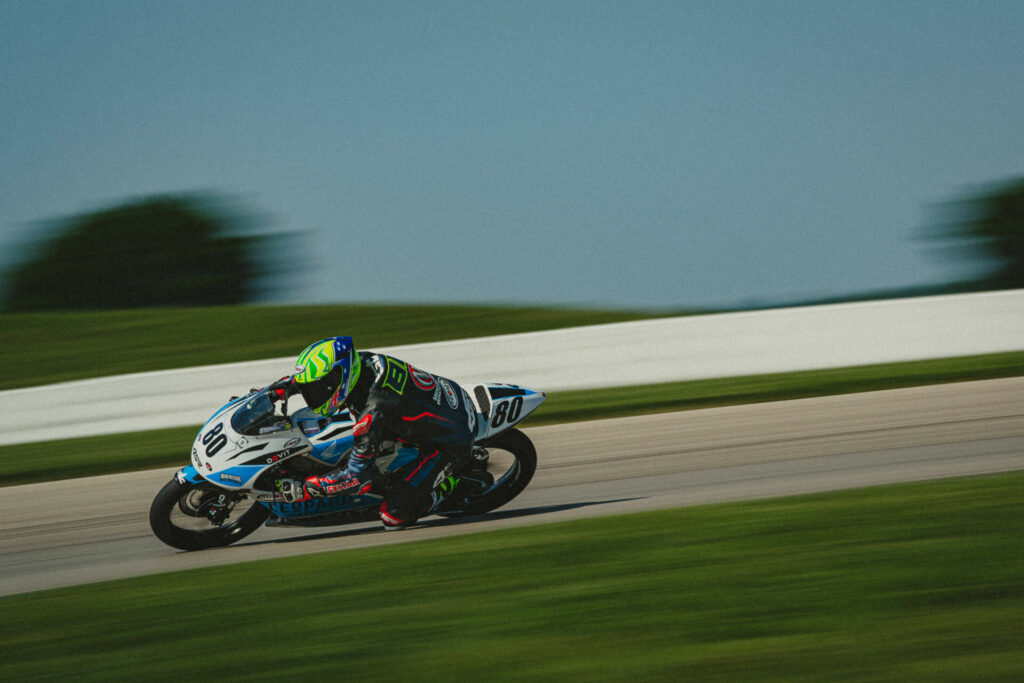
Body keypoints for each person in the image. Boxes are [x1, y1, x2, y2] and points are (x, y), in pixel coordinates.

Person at [270, 336, 487, 530]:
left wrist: (306, 489)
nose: (313, 395)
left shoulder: (373, 411)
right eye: (310, 389)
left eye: (318, 389)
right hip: (445, 396)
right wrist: (280, 389)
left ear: (341, 375)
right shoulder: (359, 361)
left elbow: (357, 478)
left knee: (392, 516)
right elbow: (318, 378)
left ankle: (455, 483)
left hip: (450, 441)